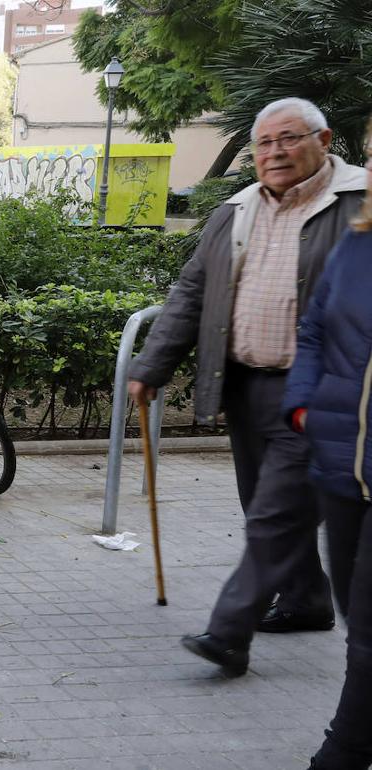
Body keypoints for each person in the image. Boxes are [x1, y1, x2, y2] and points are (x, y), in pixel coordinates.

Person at [127, 97, 367, 676]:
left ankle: (229, 633)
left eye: (288, 138)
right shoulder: (234, 211)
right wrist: (151, 366)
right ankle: (307, 602)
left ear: (324, 139)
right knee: (267, 503)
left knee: (276, 516)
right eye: (264, 142)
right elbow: (190, 294)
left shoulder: (358, 206)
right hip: (245, 384)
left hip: (322, 394)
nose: (275, 152)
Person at [281, 124, 372, 770]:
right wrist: (307, 407)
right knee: (354, 615)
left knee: (368, 629)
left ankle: (342, 751)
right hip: (340, 461)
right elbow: (313, 328)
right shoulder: (358, 242)